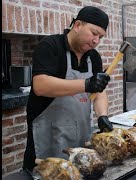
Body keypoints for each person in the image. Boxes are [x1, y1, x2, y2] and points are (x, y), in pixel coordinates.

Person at [23, 6, 113, 171]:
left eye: (100, 37)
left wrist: (102, 115)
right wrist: (86, 84)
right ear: (78, 25)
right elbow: (40, 85)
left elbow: (99, 92)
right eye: (94, 33)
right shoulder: (51, 46)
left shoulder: (94, 57)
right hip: (48, 139)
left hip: (80, 140)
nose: (96, 41)